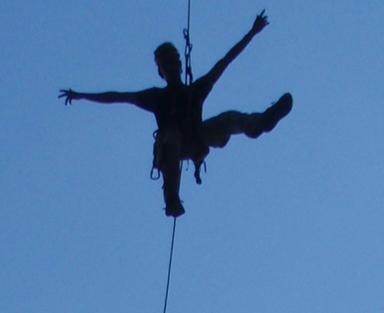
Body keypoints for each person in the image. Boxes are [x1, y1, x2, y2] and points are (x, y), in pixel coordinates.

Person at [62, 12, 292, 217]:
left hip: (195, 140)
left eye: (173, 62)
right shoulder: (156, 98)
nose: (172, 67)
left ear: (178, 66)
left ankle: (259, 123)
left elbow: (226, 61)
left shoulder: (194, 91)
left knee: (229, 118)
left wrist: (252, 32)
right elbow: (117, 96)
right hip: (173, 147)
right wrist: (82, 95)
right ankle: (171, 199)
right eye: (167, 63)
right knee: (170, 136)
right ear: (162, 71)